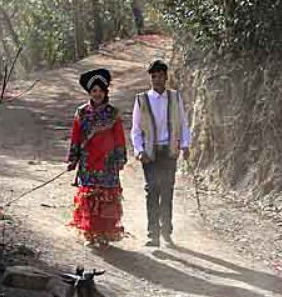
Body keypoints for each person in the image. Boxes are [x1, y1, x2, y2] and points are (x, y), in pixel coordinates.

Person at [130, 59, 191, 247]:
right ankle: (153, 234)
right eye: (153, 76)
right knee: (152, 191)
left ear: (166, 77)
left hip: (169, 151)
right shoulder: (142, 99)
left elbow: (183, 123)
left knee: (167, 190)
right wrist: (139, 151)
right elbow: (136, 129)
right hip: (150, 153)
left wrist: (185, 145)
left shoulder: (175, 98)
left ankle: (166, 231)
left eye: (160, 76)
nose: (157, 80)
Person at [66, 68, 127, 248]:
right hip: (88, 162)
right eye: (94, 91)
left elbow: (119, 137)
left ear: (105, 92)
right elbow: (76, 137)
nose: (97, 94)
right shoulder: (81, 113)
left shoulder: (113, 113)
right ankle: (90, 233)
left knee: (107, 197)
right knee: (89, 198)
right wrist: (73, 159)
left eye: (100, 91)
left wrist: (120, 158)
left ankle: (104, 233)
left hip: (108, 162)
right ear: (90, 93)